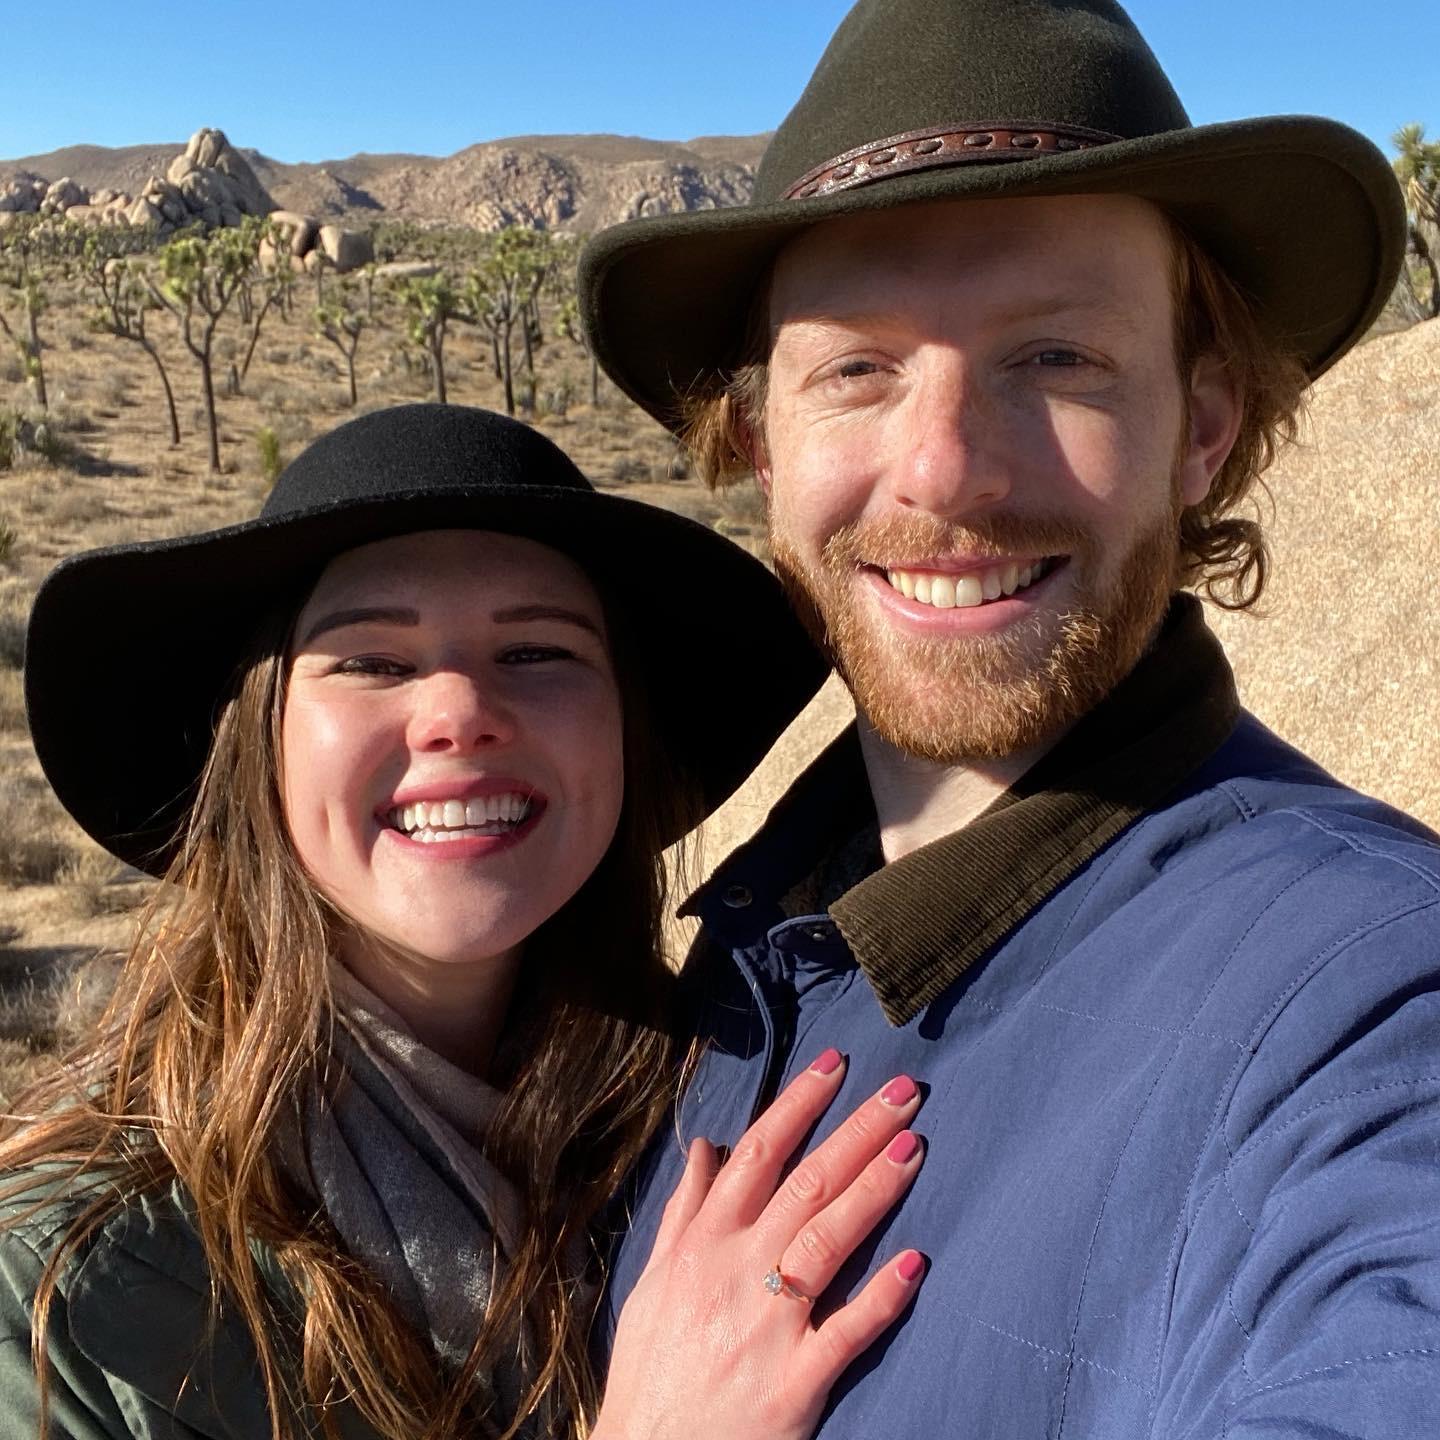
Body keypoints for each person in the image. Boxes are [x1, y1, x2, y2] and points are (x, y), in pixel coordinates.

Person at [578, 1, 1440, 1435]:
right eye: (856, 369)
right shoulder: (736, 944)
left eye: (1055, 357)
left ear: (1204, 426)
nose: (945, 470)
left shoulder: (1367, 1002)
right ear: (759, 442)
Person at [0, 403, 932, 1440]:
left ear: (624, 730)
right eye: (371, 662)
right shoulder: (75, 1297)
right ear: (257, 745)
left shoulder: (697, 1120)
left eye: (537, 651)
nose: (458, 711)